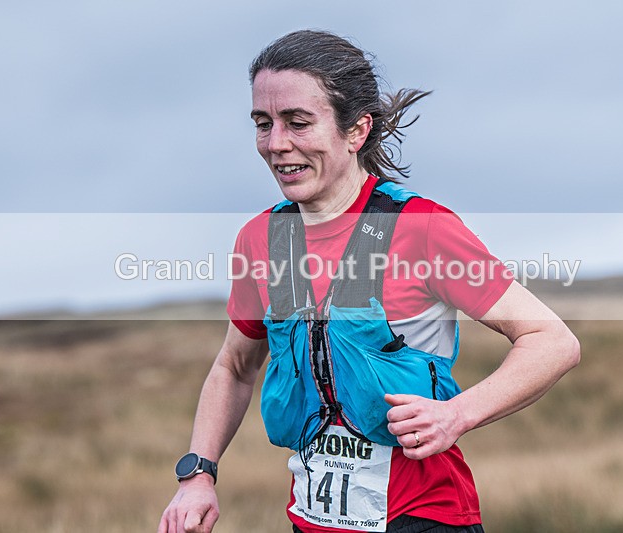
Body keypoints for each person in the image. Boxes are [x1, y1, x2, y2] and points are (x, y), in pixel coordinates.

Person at [158, 29, 580, 533]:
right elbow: (234, 366)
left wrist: (457, 415)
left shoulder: (421, 229)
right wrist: (198, 476)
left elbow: (552, 341)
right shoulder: (261, 240)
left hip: (423, 518)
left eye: (298, 122)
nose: (276, 144)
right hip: (310, 522)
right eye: (263, 123)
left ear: (357, 130)